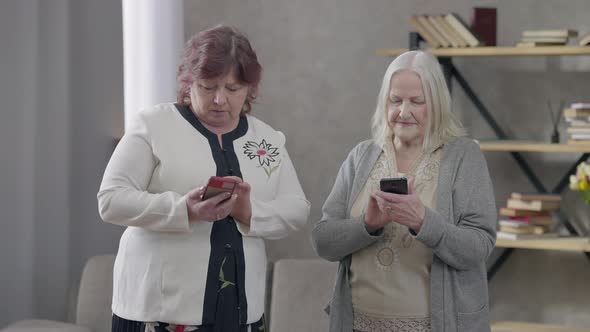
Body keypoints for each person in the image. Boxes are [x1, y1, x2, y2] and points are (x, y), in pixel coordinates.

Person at [98, 25, 310, 332]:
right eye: (208, 87)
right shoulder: (154, 125)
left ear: (250, 89)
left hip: (240, 314)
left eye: (232, 89)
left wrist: (249, 213)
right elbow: (111, 199)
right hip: (158, 312)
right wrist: (184, 210)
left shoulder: (266, 140)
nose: (220, 100)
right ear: (187, 83)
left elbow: (297, 208)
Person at [311, 50, 497, 332]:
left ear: (436, 104)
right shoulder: (361, 156)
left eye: (417, 102)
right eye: (395, 100)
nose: (403, 111)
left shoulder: (464, 156)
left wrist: (423, 221)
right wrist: (367, 225)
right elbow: (323, 242)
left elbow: (479, 246)